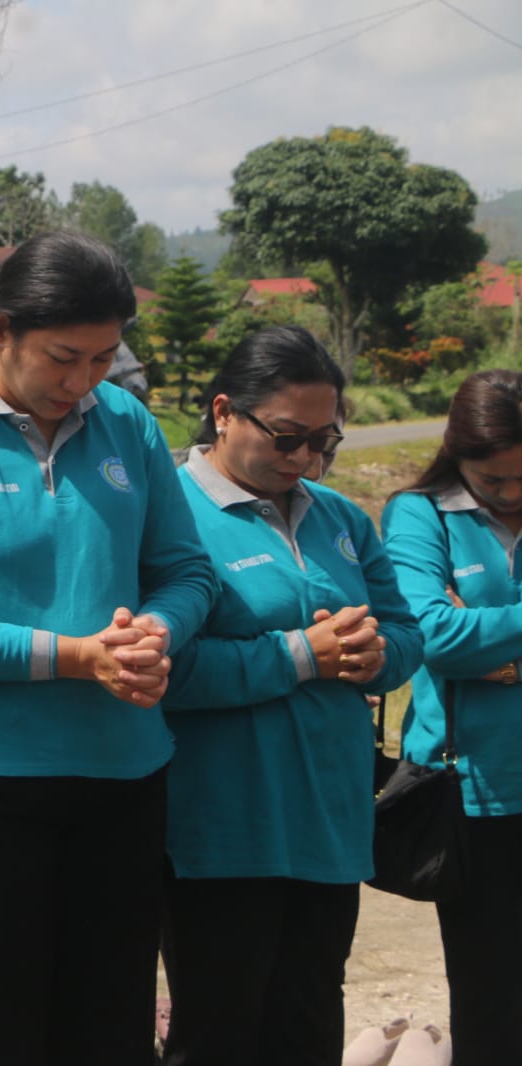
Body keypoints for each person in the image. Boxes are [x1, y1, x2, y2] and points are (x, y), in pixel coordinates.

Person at [0, 231, 217, 1065]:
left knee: (107, 1033)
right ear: (0, 333)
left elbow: (186, 570)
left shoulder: (124, 425)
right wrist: (77, 657)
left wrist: (155, 632)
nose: (82, 382)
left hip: (120, 778)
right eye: (63, 357)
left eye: (102, 359)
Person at [158, 325, 422, 1066]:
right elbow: (163, 672)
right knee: (218, 1029)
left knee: (307, 1023)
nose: (305, 459)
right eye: (286, 437)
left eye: (325, 442)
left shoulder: (337, 517)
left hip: (327, 823)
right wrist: (299, 656)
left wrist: (374, 654)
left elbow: (404, 633)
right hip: (220, 831)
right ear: (222, 413)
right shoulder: (170, 514)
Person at [381, 368, 522, 1065]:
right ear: (454, 454)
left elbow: (465, 642)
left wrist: (493, 650)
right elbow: (432, 636)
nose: (512, 495)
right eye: (493, 482)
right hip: (474, 793)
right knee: (490, 993)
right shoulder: (419, 514)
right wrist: (465, 644)